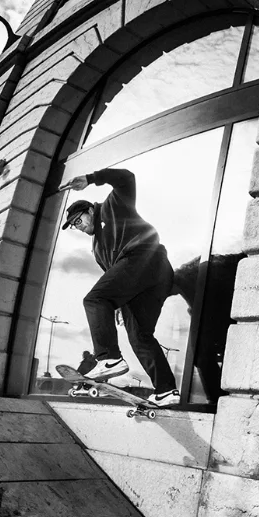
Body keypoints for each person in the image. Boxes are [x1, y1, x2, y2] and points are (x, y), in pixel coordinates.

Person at [59, 167, 179, 408]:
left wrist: (91, 179)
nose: (79, 227)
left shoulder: (114, 205)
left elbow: (127, 178)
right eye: (74, 226)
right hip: (147, 280)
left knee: (93, 300)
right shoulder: (98, 250)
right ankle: (166, 390)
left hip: (145, 257)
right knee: (140, 336)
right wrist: (115, 304)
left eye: (78, 220)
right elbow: (114, 278)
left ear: (90, 210)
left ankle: (109, 358)